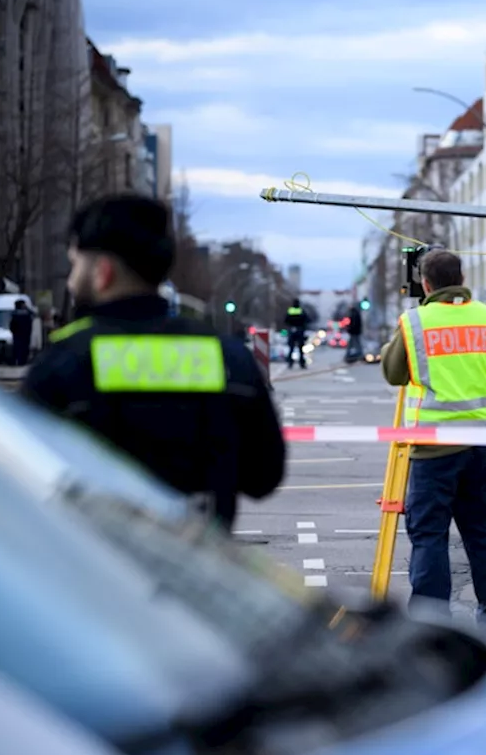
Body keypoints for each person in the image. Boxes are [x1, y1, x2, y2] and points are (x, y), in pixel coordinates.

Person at [18, 194, 286, 532]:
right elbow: (263, 476)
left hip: (90, 576)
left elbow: (23, 488)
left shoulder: (63, 362)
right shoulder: (225, 356)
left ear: (103, 273)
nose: (71, 280)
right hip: (200, 574)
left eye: (75, 264)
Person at [380, 249, 486, 641]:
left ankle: (429, 626)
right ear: (462, 277)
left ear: (425, 284)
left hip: (433, 448)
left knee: (429, 536)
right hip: (482, 446)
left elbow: (393, 373)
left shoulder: (416, 322)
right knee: (483, 535)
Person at [284, 298, 308, 369]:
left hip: (291, 330)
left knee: (291, 348)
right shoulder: (301, 310)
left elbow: (286, 320)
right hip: (300, 330)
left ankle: (290, 363)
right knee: (300, 348)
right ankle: (302, 363)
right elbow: (306, 319)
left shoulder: (290, 311)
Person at [9, 298, 33, 366]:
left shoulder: (14, 313)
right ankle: (22, 361)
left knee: (17, 348)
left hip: (17, 335)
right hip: (25, 334)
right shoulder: (26, 313)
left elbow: (12, 325)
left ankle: (16, 361)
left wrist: (13, 331)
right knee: (24, 348)